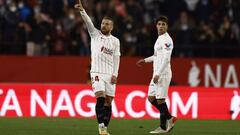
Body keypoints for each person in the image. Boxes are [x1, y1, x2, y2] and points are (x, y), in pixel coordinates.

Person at [74, 1, 121, 135]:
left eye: (107, 24)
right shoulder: (95, 35)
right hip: (96, 72)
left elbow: (117, 58)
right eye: (102, 23)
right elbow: (88, 22)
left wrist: (115, 74)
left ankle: (104, 129)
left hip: (110, 74)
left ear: (111, 27)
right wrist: (82, 11)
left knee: (108, 102)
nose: (104, 25)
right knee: (100, 97)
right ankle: (100, 126)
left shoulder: (115, 41)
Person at [136, 16, 177, 133]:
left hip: (162, 74)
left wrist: (158, 73)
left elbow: (166, 59)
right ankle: (170, 118)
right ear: (156, 26)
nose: (161, 26)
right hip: (156, 73)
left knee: (160, 101)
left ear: (167, 26)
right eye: (159, 24)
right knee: (151, 98)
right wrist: (145, 60)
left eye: (163, 24)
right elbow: (156, 56)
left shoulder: (167, 40)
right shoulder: (159, 39)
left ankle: (163, 126)